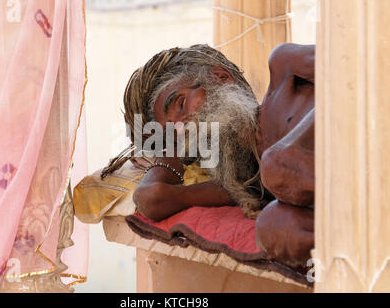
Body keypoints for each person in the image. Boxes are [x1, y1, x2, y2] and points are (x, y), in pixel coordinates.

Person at [103, 43, 315, 269]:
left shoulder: (285, 68)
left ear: (221, 78)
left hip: (354, 145)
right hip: (348, 207)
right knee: (274, 228)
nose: (184, 128)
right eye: (175, 137)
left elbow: (352, 65)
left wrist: (281, 162)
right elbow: (151, 198)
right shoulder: (246, 185)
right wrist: (165, 154)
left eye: (181, 103)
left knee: (275, 167)